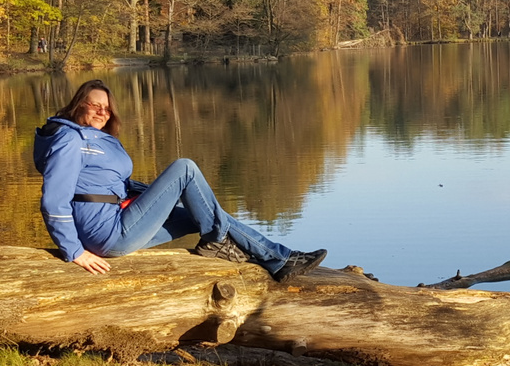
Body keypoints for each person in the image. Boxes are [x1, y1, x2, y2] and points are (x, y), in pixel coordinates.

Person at [34, 79, 325, 281]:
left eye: (107, 108)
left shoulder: (95, 137)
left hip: (117, 218)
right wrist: (74, 251)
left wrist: (154, 194)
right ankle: (268, 255)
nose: (102, 112)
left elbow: (107, 183)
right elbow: (53, 200)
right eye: (95, 105)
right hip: (106, 233)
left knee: (201, 216)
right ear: (78, 104)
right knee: (184, 168)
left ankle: (272, 259)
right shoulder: (69, 138)